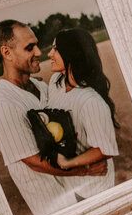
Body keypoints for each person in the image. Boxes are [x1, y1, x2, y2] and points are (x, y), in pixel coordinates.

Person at [0, 20, 106, 215]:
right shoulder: (1, 104)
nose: (38, 52)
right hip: (54, 207)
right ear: (6, 53)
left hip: (80, 193)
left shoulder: (41, 87)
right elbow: (34, 162)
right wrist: (85, 171)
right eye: (29, 47)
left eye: (36, 44)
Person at [47, 27, 119, 200]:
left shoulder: (91, 101)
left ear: (72, 53)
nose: (49, 54)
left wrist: (67, 164)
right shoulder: (55, 82)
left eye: (56, 49)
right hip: (71, 186)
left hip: (95, 189)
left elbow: (103, 149)